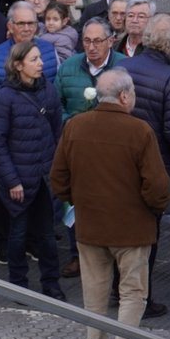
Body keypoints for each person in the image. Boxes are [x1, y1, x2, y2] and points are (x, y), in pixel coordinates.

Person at [50, 68, 170, 339]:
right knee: (133, 293)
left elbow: (58, 178)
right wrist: (154, 208)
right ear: (125, 96)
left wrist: (79, 200)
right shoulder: (140, 131)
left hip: (90, 227)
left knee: (94, 292)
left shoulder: (75, 126)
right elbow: (158, 187)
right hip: (132, 229)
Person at [0, 2, 59, 263]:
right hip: (8, 145)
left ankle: (33, 243)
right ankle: (4, 246)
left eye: (31, 23)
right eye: (21, 23)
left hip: (39, 145)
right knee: (7, 201)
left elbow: (54, 93)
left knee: (38, 199)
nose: (26, 28)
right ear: (10, 26)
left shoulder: (49, 52)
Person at [123, 13, 170, 318]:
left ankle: (118, 288)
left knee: (121, 228)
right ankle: (141, 299)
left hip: (120, 163)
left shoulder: (124, 67)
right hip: (155, 166)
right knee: (147, 233)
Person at [0, 40, 66, 299]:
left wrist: (55, 170)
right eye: (34, 59)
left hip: (43, 177)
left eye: (40, 58)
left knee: (47, 235)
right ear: (18, 65)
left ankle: (51, 284)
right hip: (18, 180)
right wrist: (12, 181)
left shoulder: (49, 90)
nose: (41, 63)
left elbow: (56, 132)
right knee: (18, 234)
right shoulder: (4, 98)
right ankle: (18, 285)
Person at [56, 17, 126, 277]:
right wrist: (73, 124)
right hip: (77, 148)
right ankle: (78, 255)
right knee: (75, 201)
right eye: (87, 41)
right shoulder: (69, 67)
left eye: (98, 41)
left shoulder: (124, 67)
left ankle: (111, 254)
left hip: (113, 150)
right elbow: (56, 104)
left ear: (110, 41)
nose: (92, 46)